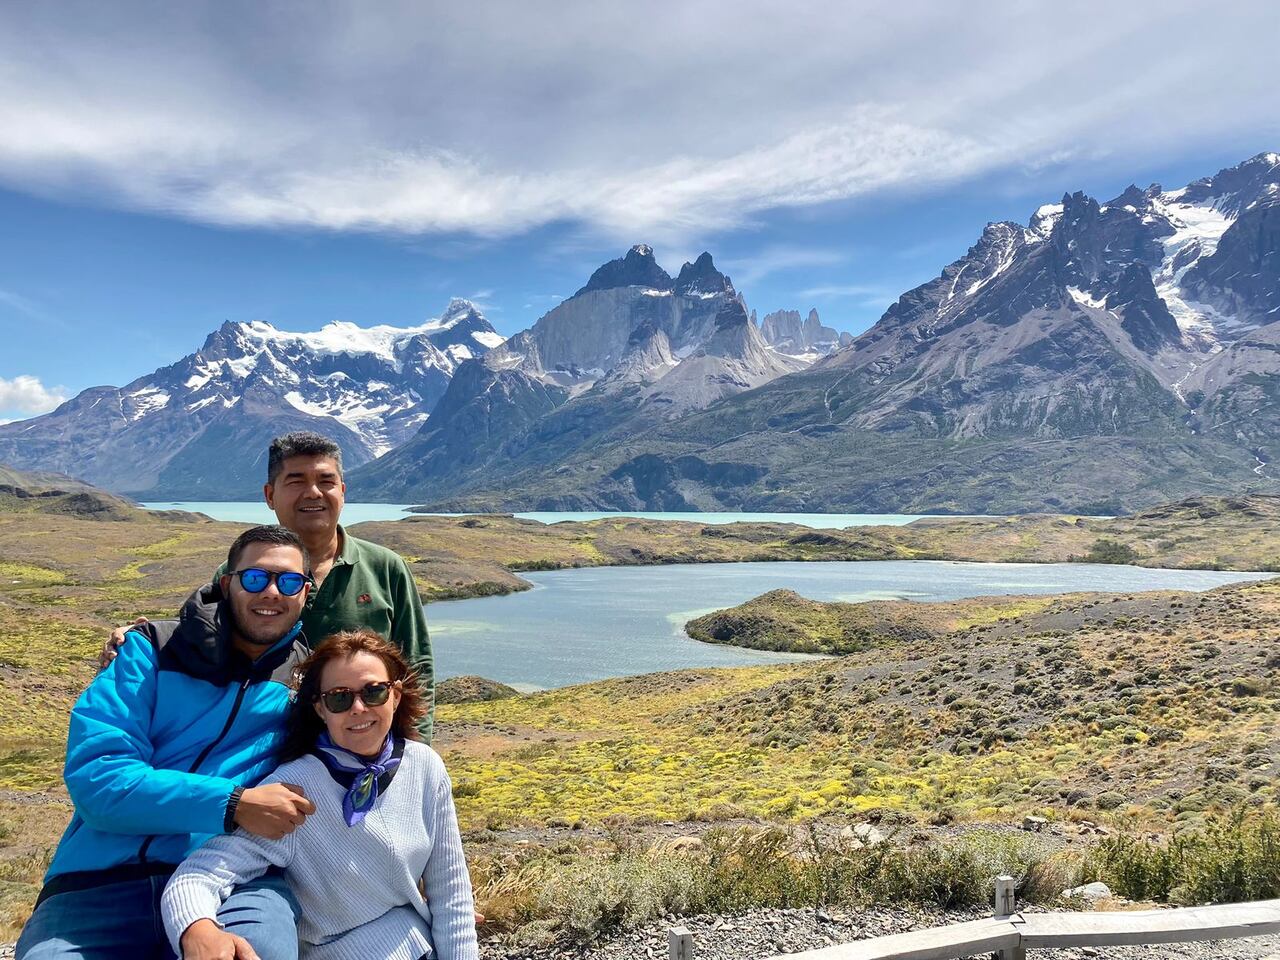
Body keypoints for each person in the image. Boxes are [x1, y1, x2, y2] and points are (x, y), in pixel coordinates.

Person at [17, 525, 319, 960]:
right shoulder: (150, 651)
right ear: (226, 583)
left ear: (305, 592)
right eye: (255, 578)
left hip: (234, 876)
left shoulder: (306, 683)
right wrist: (233, 804)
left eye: (289, 581)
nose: (272, 591)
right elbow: (99, 779)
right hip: (101, 880)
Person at [162, 629, 477, 960]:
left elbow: (450, 892)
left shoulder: (424, 765)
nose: (358, 708)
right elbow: (198, 875)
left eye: (373, 692)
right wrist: (196, 929)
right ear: (320, 709)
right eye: (339, 698)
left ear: (395, 696)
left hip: (422, 944)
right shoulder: (295, 788)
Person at [103, 431, 435, 738]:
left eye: (326, 481)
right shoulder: (238, 573)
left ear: (343, 492)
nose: (313, 492)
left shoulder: (387, 568)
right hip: (268, 754)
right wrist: (139, 641)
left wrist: (414, 755)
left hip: (364, 748)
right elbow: (197, 643)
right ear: (270, 495)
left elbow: (417, 668)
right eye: (296, 480)